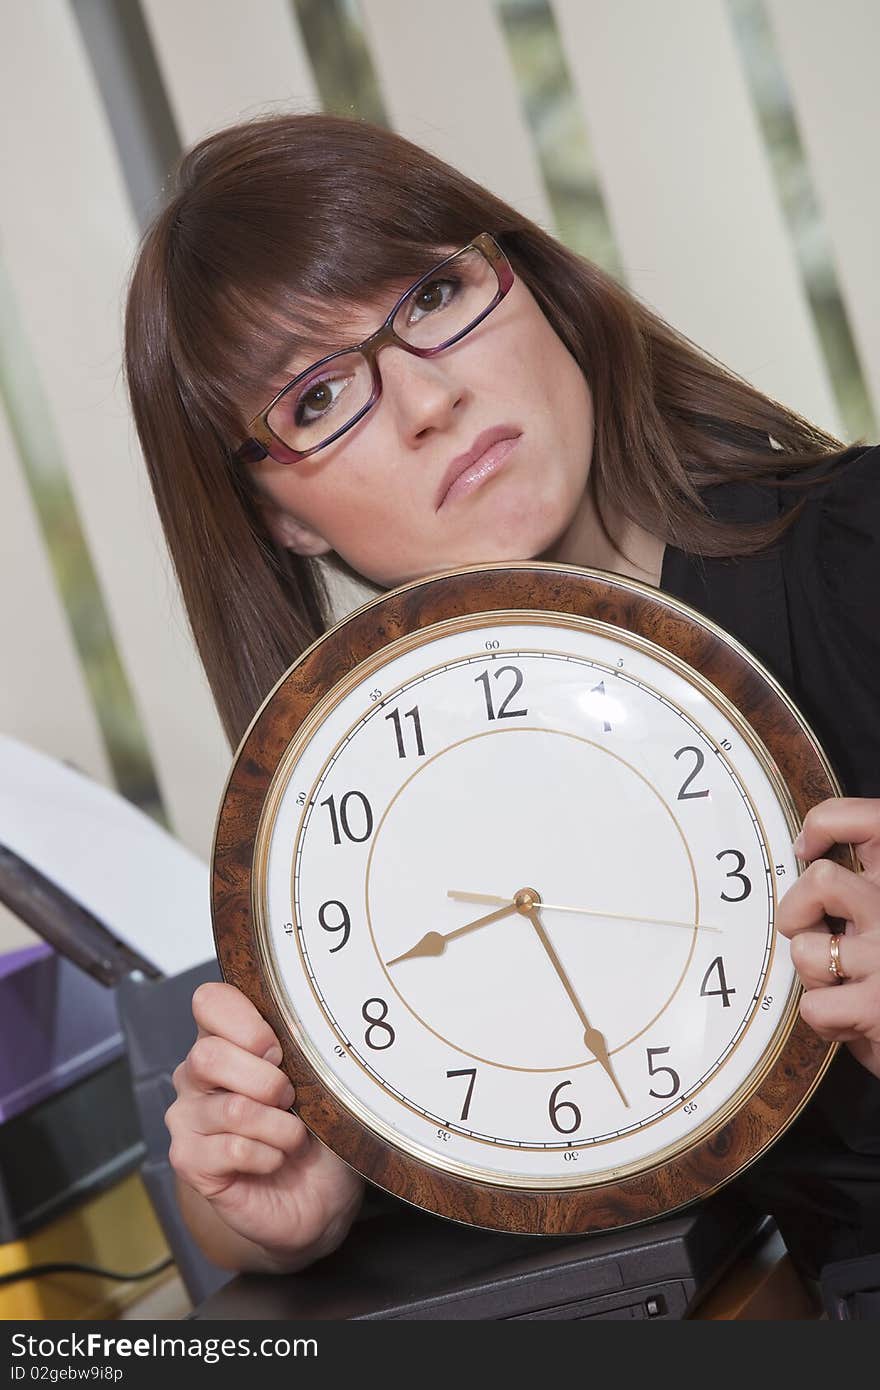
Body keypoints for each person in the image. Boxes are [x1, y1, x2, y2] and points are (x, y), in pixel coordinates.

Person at [123, 113, 880, 1287]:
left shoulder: (859, 551)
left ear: (530, 284)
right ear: (281, 520)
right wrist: (263, 1205)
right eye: (319, 399)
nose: (428, 401)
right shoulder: (362, 839)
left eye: (429, 299)